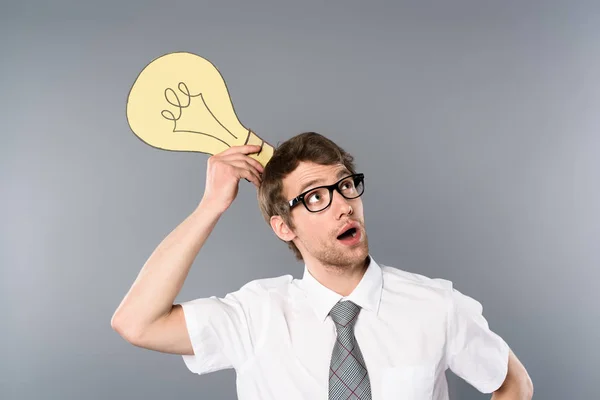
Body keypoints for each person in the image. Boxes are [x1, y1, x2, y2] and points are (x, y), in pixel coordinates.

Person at [111, 132, 533, 399]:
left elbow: (514, 384)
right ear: (283, 226)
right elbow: (136, 323)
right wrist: (212, 205)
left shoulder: (436, 305)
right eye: (315, 197)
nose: (344, 206)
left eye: (346, 186)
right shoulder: (254, 316)